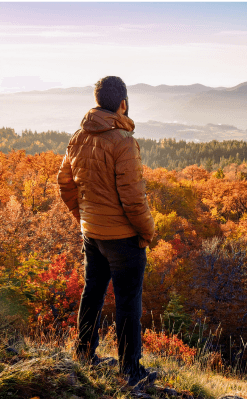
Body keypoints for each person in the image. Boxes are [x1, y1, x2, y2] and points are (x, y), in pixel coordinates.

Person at [57, 76, 156, 389]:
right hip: (123, 238)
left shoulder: (77, 138)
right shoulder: (123, 142)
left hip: (93, 234)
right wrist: (148, 232)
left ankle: (84, 353)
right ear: (122, 104)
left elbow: (65, 184)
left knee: (93, 292)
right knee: (128, 303)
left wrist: (83, 218)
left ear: (98, 101)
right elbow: (133, 197)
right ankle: (131, 372)